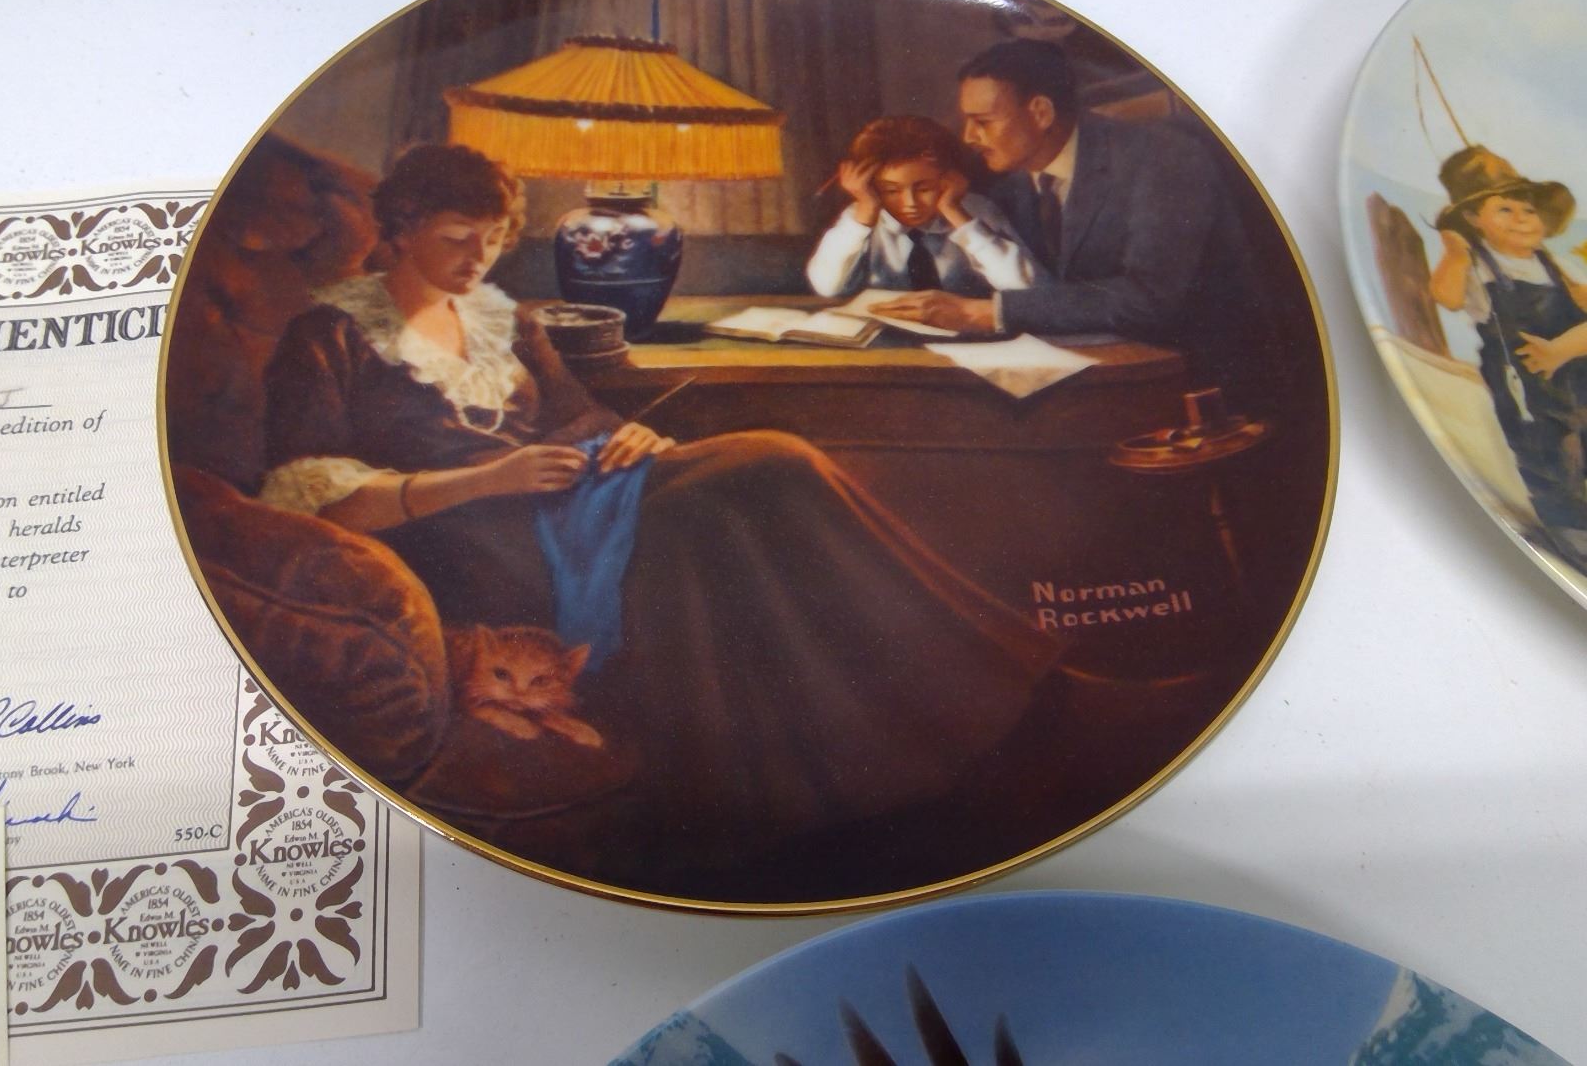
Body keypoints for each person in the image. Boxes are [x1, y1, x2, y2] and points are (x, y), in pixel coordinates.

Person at [258, 142, 1058, 883]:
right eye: (457, 239)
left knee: (774, 463)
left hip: (570, 496)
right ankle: (788, 799)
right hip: (476, 542)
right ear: (400, 233)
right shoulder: (330, 335)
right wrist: (483, 481)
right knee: (719, 504)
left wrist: (625, 432)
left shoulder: (504, 317)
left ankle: (964, 697)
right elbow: (313, 495)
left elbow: (577, 416)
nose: (479, 259)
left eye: (494, 239)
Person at [870, 39, 1262, 384]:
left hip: (1194, 385)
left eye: (982, 122)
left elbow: (1148, 299)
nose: (969, 137)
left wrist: (986, 313)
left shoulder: (1162, 159)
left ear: (1041, 113)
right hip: (1080, 376)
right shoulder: (1006, 179)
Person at [1428, 145, 1587, 563]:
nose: (1521, 219)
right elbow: (1446, 296)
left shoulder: (1552, 265)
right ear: (1472, 219)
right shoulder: (1479, 265)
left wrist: (1564, 346)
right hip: (1527, 386)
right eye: (1505, 210)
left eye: (1529, 210)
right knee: (1549, 454)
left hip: (1577, 372)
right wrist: (1455, 253)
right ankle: (1570, 531)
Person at [805, 115, 1035, 299]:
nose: (910, 203)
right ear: (871, 187)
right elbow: (826, 287)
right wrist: (863, 216)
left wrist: (956, 213)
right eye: (891, 191)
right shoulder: (860, 217)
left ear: (950, 179)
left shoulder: (977, 211)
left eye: (924, 188)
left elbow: (1022, 286)